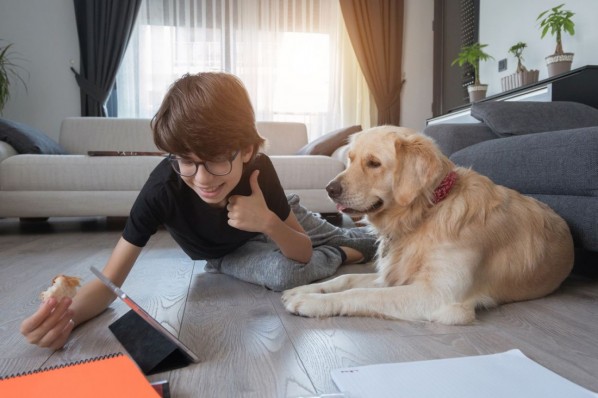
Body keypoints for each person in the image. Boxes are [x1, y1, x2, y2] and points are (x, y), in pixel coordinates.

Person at [20, 72, 377, 350]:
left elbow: (300, 247)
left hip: (274, 217)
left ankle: (360, 243)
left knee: (371, 238)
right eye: (186, 162)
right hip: (226, 255)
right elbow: (110, 282)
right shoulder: (163, 189)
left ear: (248, 150)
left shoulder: (260, 169)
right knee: (285, 274)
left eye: (217, 160)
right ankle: (341, 253)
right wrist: (64, 319)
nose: (202, 178)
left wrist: (266, 220)